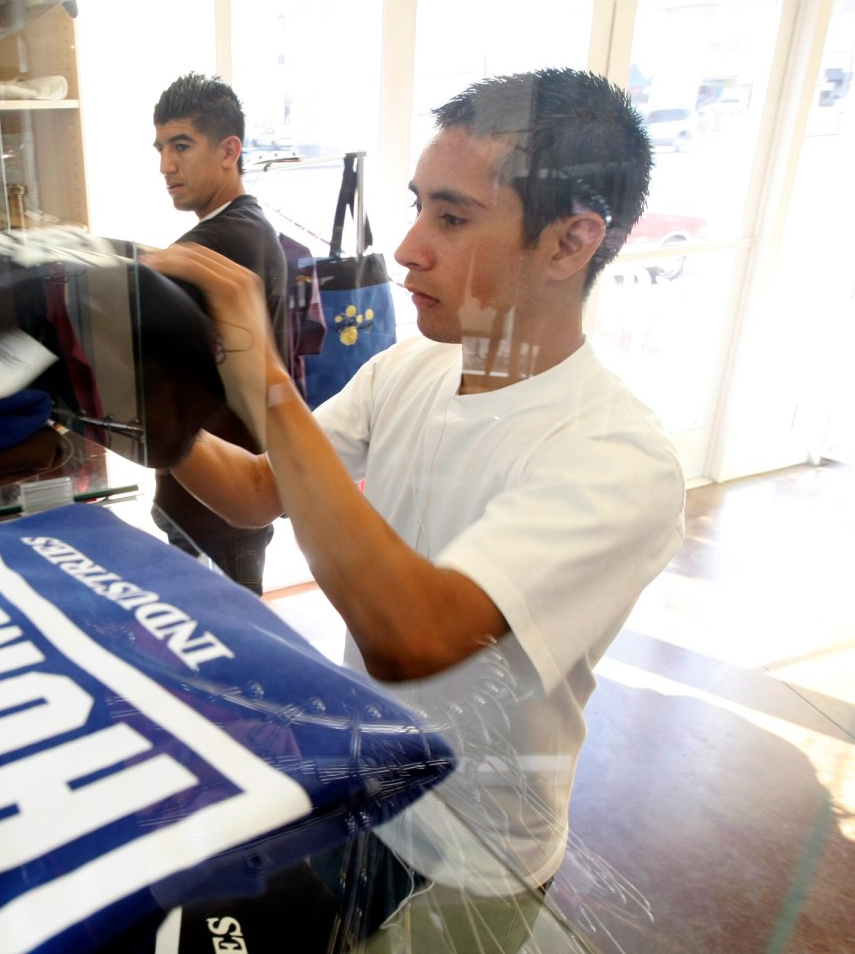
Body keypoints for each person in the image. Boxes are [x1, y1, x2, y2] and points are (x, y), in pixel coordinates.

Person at [142, 68, 686, 949]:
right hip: (364, 789)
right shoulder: (409, 369)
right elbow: (257, 492)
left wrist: (262, 374)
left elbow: (410, 632)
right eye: (417, 208)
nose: (406, 249)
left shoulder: (617, 459)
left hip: (472, 855)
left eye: (453, 218)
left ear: (570, 242)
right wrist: (137, 415)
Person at [149, 72, 287, 595]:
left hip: (222, 507)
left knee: (232, 642)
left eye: (181, 146)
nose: (166, 165)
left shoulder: (224, 241)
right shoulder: (242, 229)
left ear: (230, 150)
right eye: (161, 148)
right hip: (208, 498)